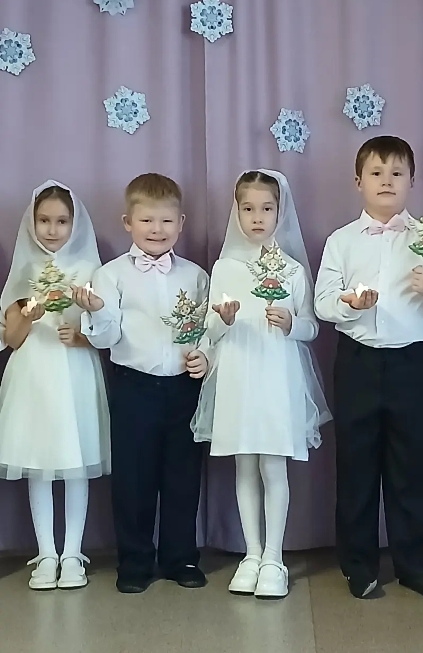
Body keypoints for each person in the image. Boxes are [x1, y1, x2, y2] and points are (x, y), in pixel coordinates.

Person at [314, 136, 423, 601]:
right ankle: (358, 566)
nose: (387, 181)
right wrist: (351, 304)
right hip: (357, 361)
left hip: (411, 362)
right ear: (358, 181)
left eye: (397, 173)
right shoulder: (341, 241)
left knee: (411, 466)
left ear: (411, 181)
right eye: (377, 173)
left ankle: (415, 567)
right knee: (356, 465)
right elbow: (322, 303)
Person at [188, 169, 331, 599]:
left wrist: (290, 323)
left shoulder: (291, 270)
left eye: (266, 208)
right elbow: (210, 329)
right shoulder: (225, 268)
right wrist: (224, 319)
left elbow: (311, 327)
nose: (257, 217)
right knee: (244, 464)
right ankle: (251, 554)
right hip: (237, 373)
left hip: (276, 375)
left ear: (279, 212)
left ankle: (274, 557)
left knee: (273, 465)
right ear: (237, 212)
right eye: (248, 208)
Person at [75, 173, 209, 594]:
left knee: (183, 477)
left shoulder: (196, 276)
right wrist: (97, 310)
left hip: (184, 388)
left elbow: (208, 328)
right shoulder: (110, 275)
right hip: (133, 388)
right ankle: (134, 561)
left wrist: (204, 354)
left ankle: (180, 557)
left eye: (166, 221)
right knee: (133, 479)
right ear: (128, 222)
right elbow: (106, 338)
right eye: (147, 220)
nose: (157, 229)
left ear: (181, 223)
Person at [0, 180, 110, 590]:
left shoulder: (90, 270)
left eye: (61, 221)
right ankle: (46, 553)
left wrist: (82, 336)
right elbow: (12, 339)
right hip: (34, 374)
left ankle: (73, 553)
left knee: (76, 461)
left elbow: (105, 331)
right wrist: (29, 317)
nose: (51, 229)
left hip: (76, 371)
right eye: (44, 220)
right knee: (40, 463)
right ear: (32, 223)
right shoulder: (25, 271)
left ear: (74, 224)